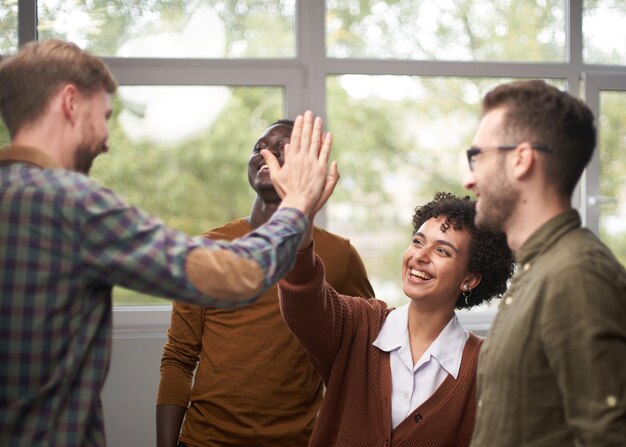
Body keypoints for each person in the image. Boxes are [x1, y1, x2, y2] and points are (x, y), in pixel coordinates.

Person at [0, 39, 338, 446]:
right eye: (103, 116)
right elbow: (238, 273)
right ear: (70, 102)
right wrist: (299, 204)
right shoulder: (72, 203)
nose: (107, 140)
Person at [155, 119, 375, 447]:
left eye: (282, 149)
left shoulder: (339, 255)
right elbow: (179, 357)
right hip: (205, 440)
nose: (265, 154)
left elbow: (363, 354)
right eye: (259, 147)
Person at [278, 191, 514, 446]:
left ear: (469, 280)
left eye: (442, 251)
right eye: (418, 241)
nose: (420, 256)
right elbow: (303, 299)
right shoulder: (358, 324)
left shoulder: (485, 368)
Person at [463, 79, 626, 446]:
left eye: (477, 157)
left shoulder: (577, 275)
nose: (469, 178)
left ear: (521, 158)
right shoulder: (541, 269)